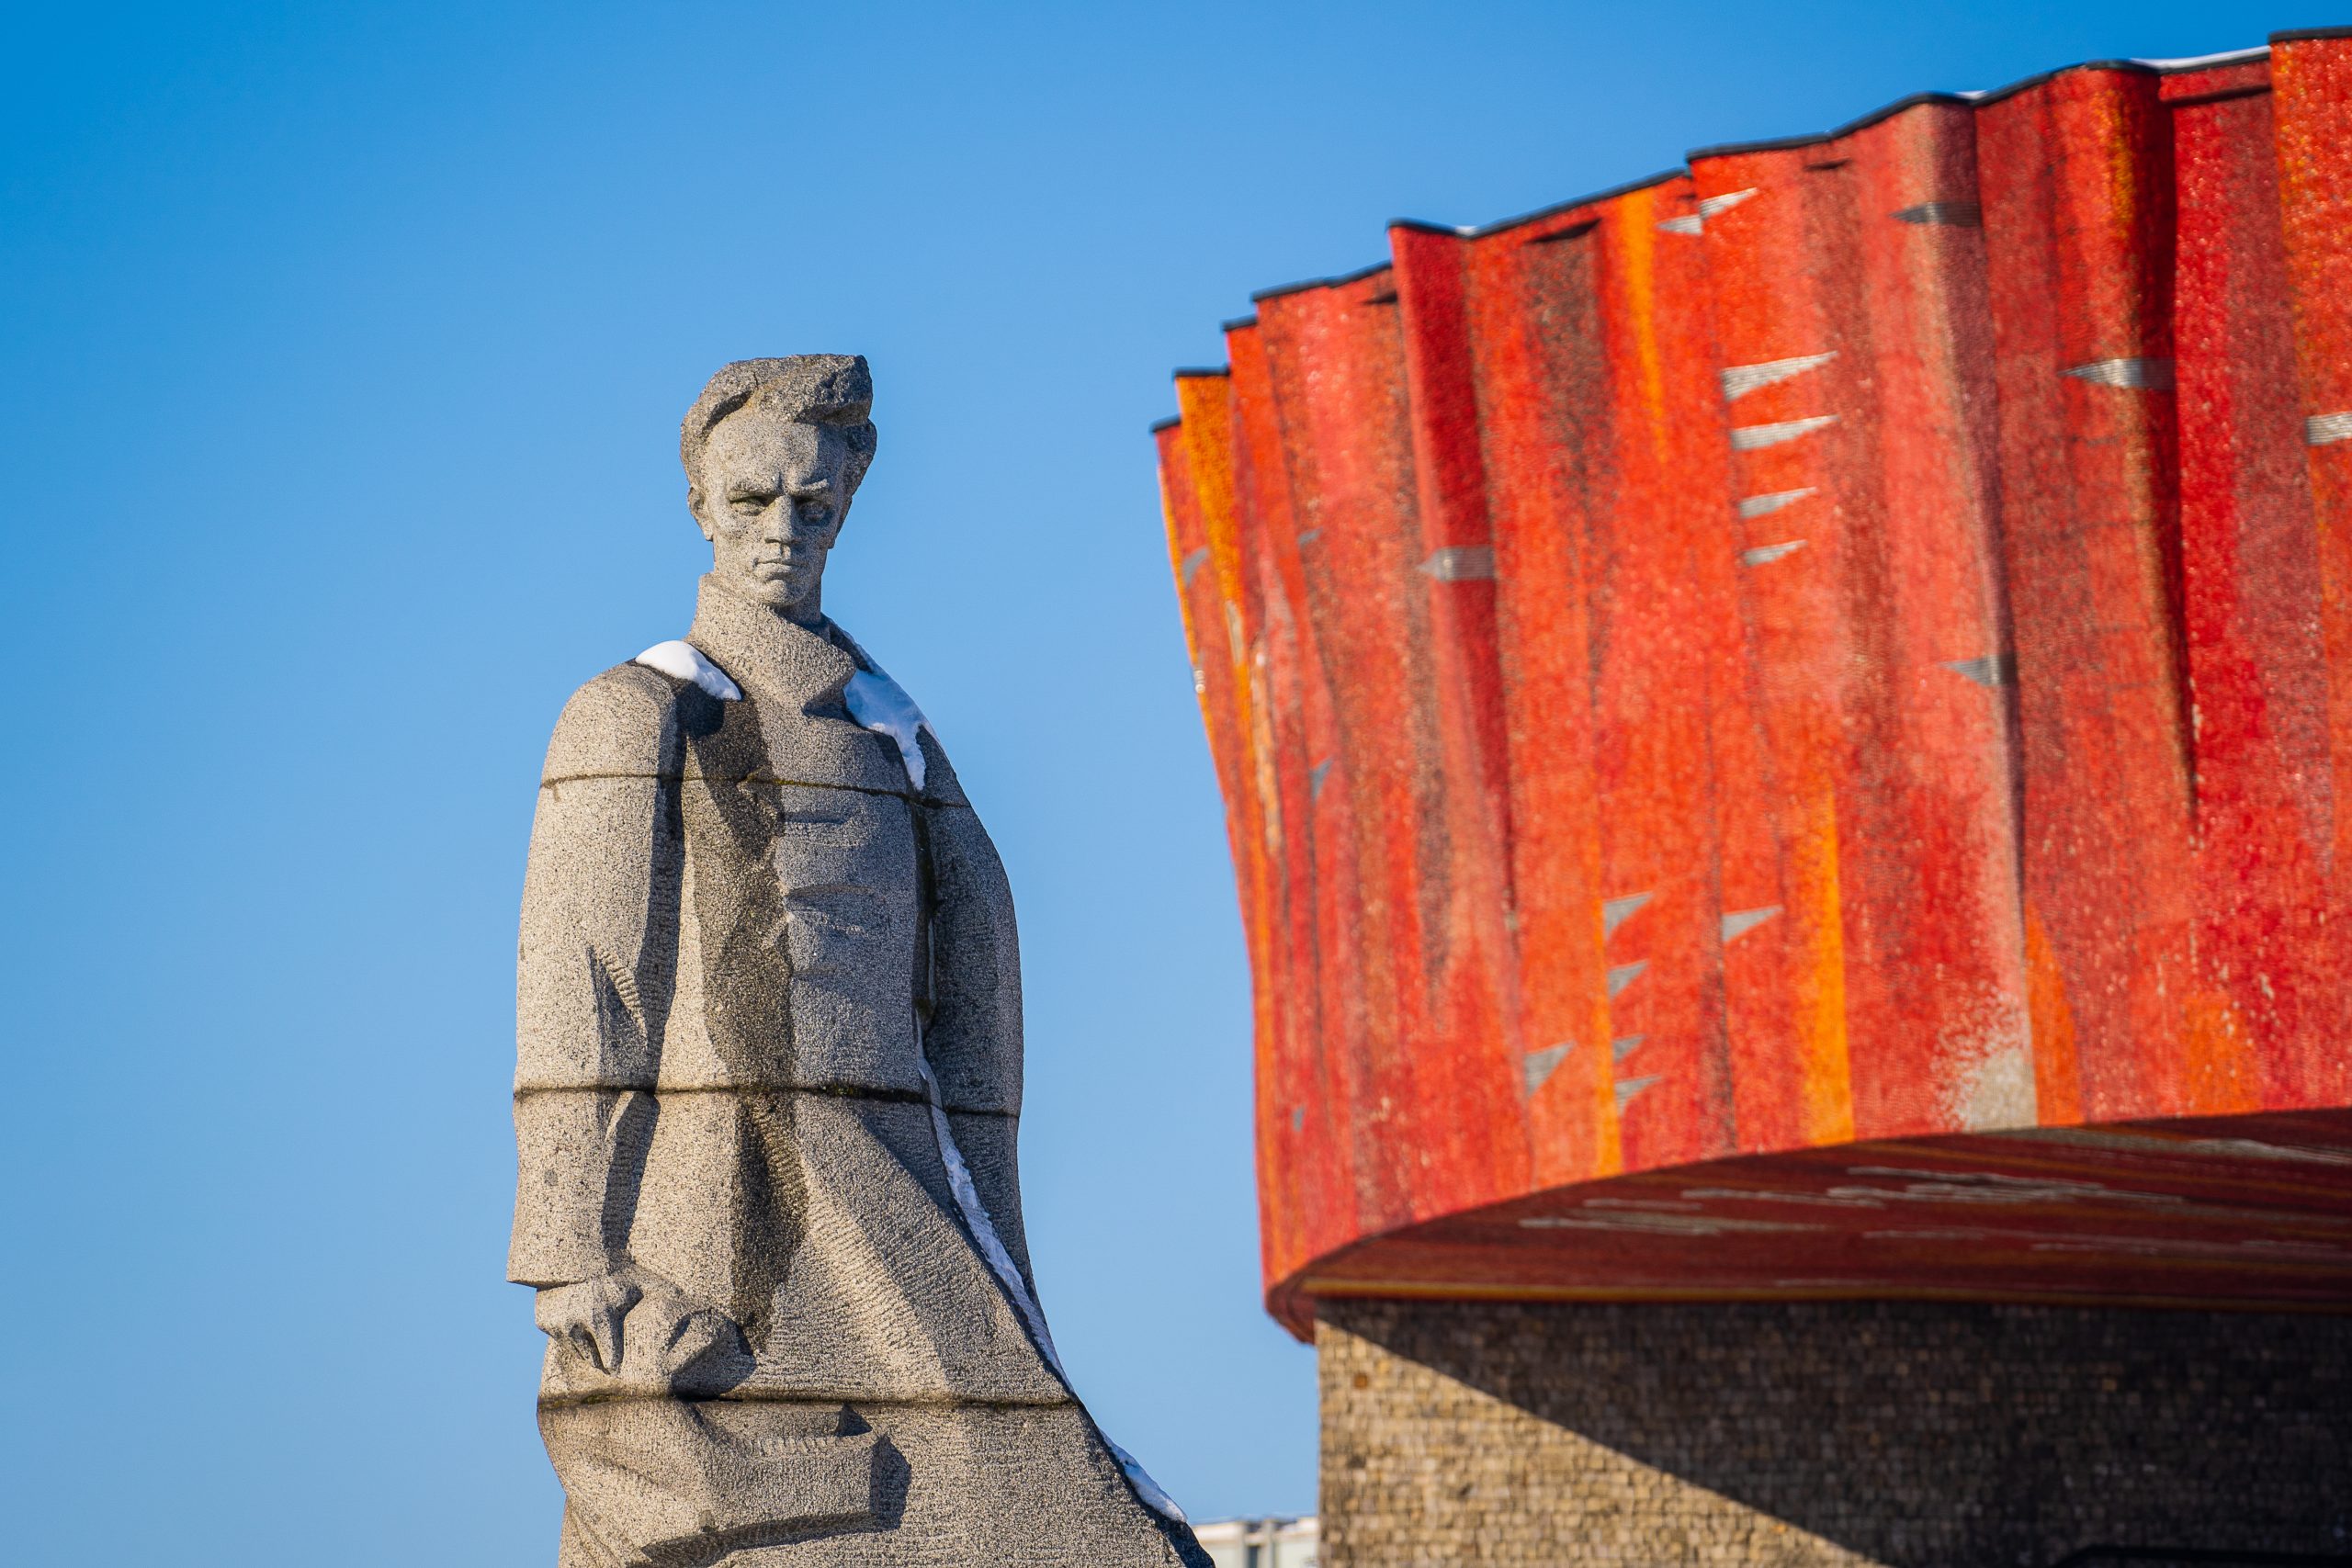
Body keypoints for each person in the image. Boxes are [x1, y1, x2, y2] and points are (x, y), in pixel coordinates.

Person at [511, 356, 1204, 1567]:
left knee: (1078, 1520)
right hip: (731, 1212)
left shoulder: (894, 735)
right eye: (751, 502)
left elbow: (971, 994)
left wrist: (1001, 1246)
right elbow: (585, 977)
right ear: (700, 504)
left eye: (812, 506)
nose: (782, 531)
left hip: (903, 1184)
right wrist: (569, 1247)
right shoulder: (641, 712)